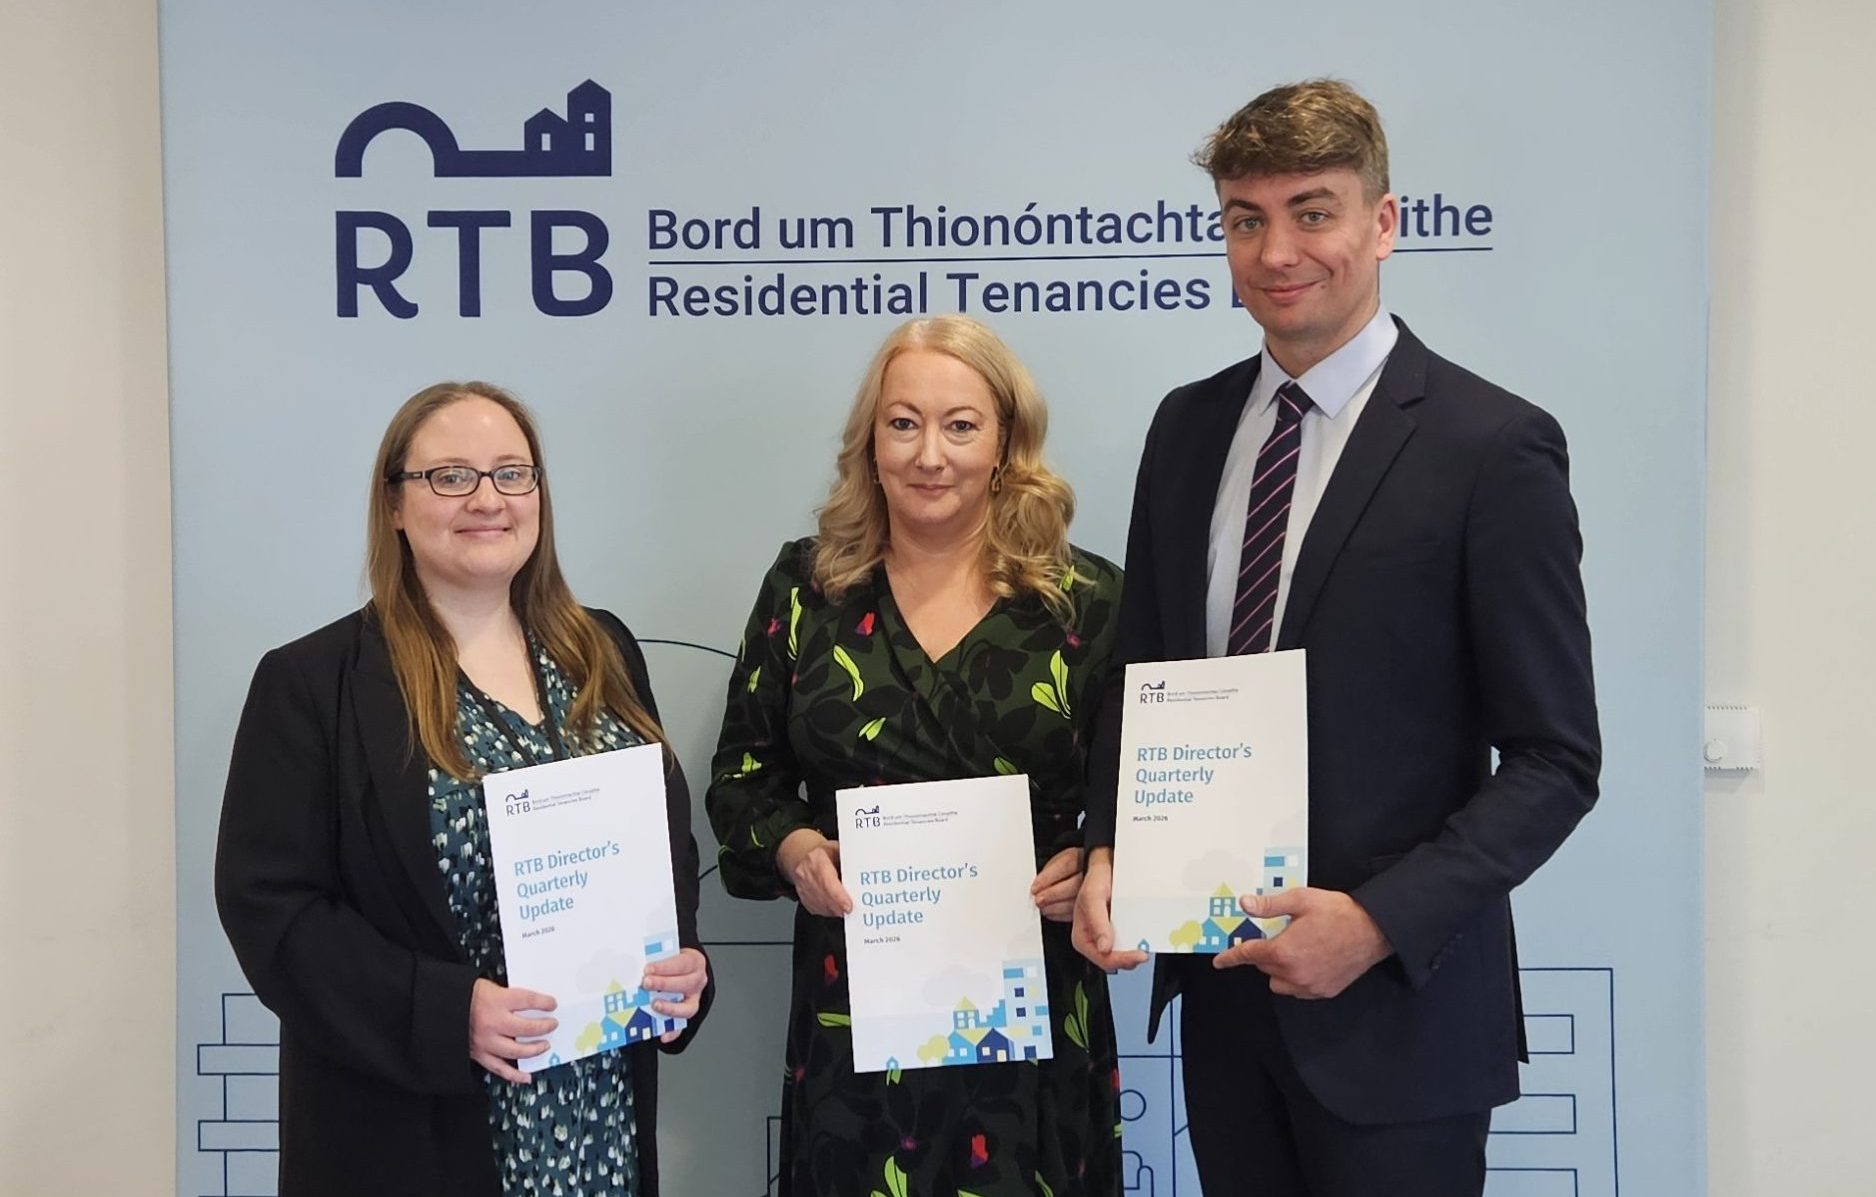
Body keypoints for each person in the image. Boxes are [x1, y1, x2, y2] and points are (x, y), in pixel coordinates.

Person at [1072, 80, 1601, 1196]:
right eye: (1245, 218)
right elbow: (1138, 683)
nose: (1276, 251)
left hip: (1399, 1022)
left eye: (1312, 211)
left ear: (1383, 222)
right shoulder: (1187, 427)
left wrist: (1373, 923)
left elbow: (1557, 761)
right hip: (1217, 995)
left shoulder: (1489, 447)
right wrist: (1114, 843)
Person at [215, 381, 712, 1197]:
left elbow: (666, 846)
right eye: (451, 476)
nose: (488, 499)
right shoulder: (314, 683)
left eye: (512, 473)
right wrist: (447, 1011)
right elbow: (272, 909)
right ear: (397, 505)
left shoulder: (605, 652)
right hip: (414, 1129)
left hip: (598, 1119)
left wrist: (681, 961)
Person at [707, 315, 1123, 1196]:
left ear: (1007, 442)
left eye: (960, 425)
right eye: (904, 423)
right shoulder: (806, 588)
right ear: (871, 442)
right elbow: (743, 780)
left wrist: (1095, 863)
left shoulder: (1085, 602)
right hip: (853, 1008)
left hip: (1032, 1011)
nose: (930, 453)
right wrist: (795, 850)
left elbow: (1138, 799)